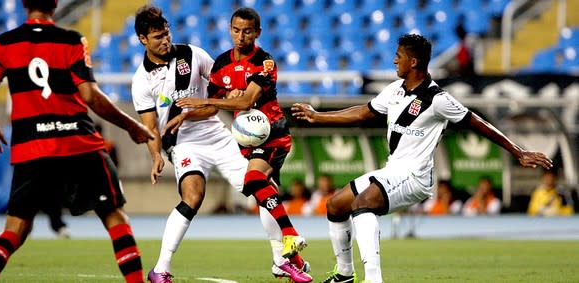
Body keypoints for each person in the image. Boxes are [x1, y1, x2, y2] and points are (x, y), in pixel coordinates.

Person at [290, 33, 553, 283]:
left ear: (413, 61)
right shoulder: (395, 90)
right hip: (393, 170)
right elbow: (364, 112)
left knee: (364, 202)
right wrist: (317, 116)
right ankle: (345, 274)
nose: (394, 60)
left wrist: (518, 151)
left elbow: (476, 122)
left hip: (415, 177)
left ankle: (373, 279)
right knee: (336, 204)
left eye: (398, 56)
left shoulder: (438, 99)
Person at [0, 0, 154, 282]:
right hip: (77, 142)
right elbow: (91, 96)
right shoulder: (71, 40)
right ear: (56, 4)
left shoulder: (4, 43)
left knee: (14, 230)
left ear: (22, 4)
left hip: (31, 148)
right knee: (114, 217)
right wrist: (131, 125)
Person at [130, 6, 311, 283]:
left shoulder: (193, 54)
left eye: (166, 34)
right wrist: (155, 155)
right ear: (143, 39)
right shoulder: (141, 80)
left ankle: (280, 260)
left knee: (263, 187)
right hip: (183, 143)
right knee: (193, 196)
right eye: (157, 37)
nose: (165, 41)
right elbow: (151, 126)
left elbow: (218, 95)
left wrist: (230, 93)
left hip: (216, 134)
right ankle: (160, 269)